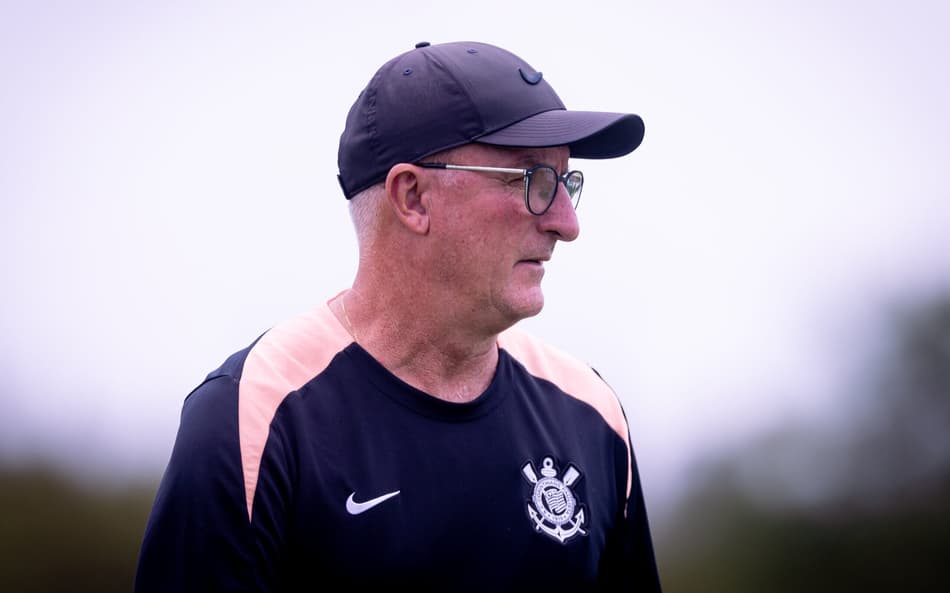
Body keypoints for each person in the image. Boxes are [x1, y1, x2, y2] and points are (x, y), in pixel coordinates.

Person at [134, 40, 662, 592]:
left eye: (567, 182)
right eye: (532, 180)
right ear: (412, 197)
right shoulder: (253, 416)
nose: (566, 222)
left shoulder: (591, 415)